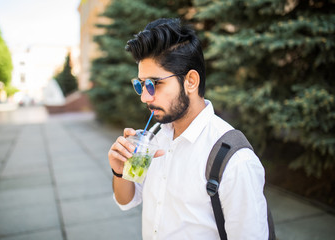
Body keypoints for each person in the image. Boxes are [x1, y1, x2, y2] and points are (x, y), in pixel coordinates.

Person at [108, 18, 269, 239]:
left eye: (154, 84)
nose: (145, 97)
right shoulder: (155, 135)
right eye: (141, 84)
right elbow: (127, 200)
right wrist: (120, 170)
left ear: (191, 81)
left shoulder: (235, 160)